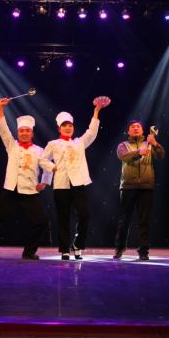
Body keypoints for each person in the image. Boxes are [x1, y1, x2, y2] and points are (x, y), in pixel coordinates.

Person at [0, 98, 53, 260]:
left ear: (32, 133)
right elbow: (3, 128)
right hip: (11, 190)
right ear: (18, 133)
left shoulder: (39, 150)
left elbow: (48, 165)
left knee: (41, 221)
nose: (24, 133)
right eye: (21, 131)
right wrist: (0, 107)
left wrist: (45, 182)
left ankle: (29, 252)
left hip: (30, 190)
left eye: (27, 131)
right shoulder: (11, 145)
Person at [41, 97, 109, 260]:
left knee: (85, 214)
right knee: (63, 218)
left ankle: (77, 245)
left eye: (70, 125)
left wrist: (96, 111)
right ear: (59, 128)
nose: (67, 128)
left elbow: (92, 132)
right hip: (61, 184)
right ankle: (64, 249)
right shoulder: (53, 143)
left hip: (78, 183)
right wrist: (52, 167)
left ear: (73, 127)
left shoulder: (79, 142)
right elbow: (42, 159)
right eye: (64, 125)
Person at [114, 120, 165, 261]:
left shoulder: (149, 143)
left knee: (144, 220)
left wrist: (155, 143)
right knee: (124, 220)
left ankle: (143, 251)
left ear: (142, 130)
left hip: (146, 186)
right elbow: (123, 156)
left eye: (138, 127)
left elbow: (161, 155)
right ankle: (119, 248)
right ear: (128, 131)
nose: (135, 128)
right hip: (128, 186)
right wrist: (138, 152)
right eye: (132, 127)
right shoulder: (123, 145)